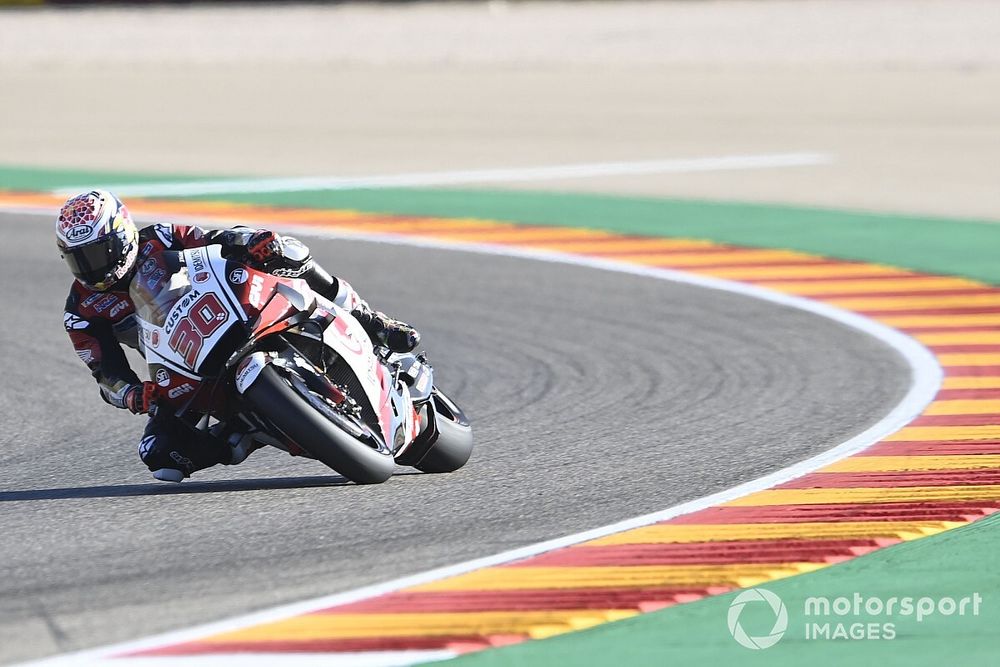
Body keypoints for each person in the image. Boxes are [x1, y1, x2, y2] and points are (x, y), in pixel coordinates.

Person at [57, 190, 420, 482]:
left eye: (95, 254)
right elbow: (105, 373)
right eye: (78, 259)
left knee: (288, 252)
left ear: (122, 236)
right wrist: (134, 394)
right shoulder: (81, 311)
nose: (91, 268)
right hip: (182, 364)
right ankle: (246, 435)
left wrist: (251, 242)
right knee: (160, 455)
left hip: (225, 312)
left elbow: (215, 238)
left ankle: (373, 322)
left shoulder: (160, 237)